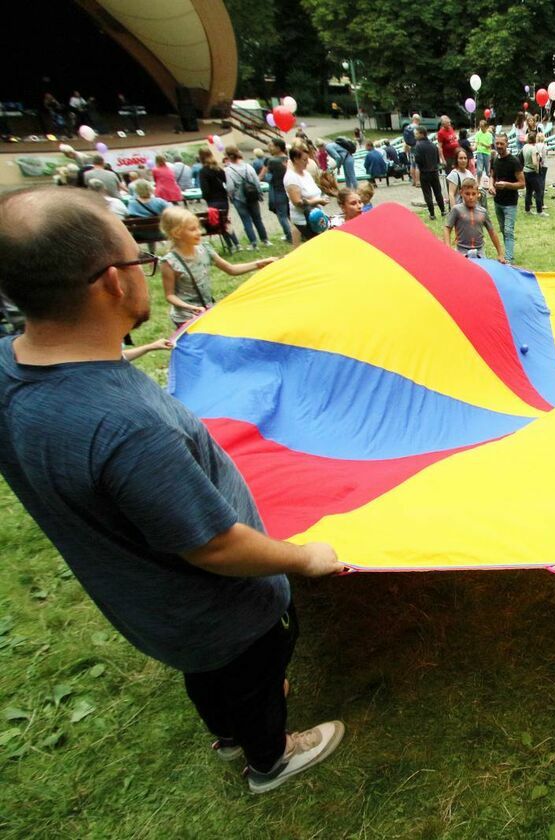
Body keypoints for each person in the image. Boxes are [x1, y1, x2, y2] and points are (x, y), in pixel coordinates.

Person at [0, 188, 347, 793]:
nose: (148, 270)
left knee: (209, 676)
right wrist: (306, 560)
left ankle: (228, 730)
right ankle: (270, 756)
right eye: (142, 260)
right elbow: (214, 548)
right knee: (254, 674)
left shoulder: (10, 367)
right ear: (112, 282)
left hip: (155, 611)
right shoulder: (124, 426)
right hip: (225, 611)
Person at [158, 207, 274, 329]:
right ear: (176, 233)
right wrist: (190, 307)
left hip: (207, 311)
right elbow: (170, 295)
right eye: (192, 229)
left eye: (198, 227)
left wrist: (258, 264)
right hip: (185, 318)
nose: (199, 232)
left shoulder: (205, 249)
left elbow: (231, 269)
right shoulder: (169, 262)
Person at [445, 178, 506, 262]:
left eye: (473, 194)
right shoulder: (456, 210)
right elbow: (447, 228)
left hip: (480, 252)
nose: (471, 197)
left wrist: (500, 254)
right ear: (461, 193)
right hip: (461, 251)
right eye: (467, 194)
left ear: (478, 194)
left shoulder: (483, 212)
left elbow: (492, 232)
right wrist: (448, 248)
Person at [224, 146, 269, 250]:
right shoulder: (248, 166)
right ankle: (265, 239)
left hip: (239, 198)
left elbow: (230, 186)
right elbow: (256, 182)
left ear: (228, 156)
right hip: (252, 196)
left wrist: (231, 196)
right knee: (258, 219)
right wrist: (259, 194)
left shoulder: (228, 170)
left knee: (246, 220)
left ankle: (253, 243)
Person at [489, 134, 524, 264]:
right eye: (497, 143)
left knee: (508, 231)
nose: (499, 146)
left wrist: (506, 185)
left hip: (510, 203)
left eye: (501, 144)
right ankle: (508, 254)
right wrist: (491, 185)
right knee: (503, 229)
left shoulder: (514, 161)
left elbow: (522, 184)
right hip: (497, 201)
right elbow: (492, 175)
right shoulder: (494, 159)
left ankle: (508, 259)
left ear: (507, 144)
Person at [197, 148, 240, 253]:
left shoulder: (203, 172)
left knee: (219, 223)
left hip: (212, 200)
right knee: (224, 221)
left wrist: (205, 197)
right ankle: (236, 243)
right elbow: (227, 181)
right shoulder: (218, 169)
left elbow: (205, 190)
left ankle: (231, 245)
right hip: (223, 198)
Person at [283, 146, 328, 244]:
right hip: (304, 219)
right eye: (304, 160)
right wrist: (318, 201)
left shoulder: (305, 174)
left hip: (316, 215)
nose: (307, 162)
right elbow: (298, 202)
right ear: (295, 159)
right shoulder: (291, 178)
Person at [410, 127, 446, 220]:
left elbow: (417, 160)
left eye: (416, 133)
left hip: (424, 173)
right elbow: (437, 160)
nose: (415, 135)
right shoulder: (433, 145)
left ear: (422, 134)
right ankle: (443, 210)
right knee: (438, 192)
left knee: (427, 194)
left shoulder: (418, 146)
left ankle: (432, 213)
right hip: (434, 172)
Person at [262, 139, 293, 245]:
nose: (269, 148)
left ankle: (289, 236)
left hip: (278, 190)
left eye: (271, 146)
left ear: (278, 147)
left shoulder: (272, 161)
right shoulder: (288, 159)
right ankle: (298, 233)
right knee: (290, 214)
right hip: (289, 189)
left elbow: (268, 177)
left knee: (282, 215)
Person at [522, 131, 548, 216]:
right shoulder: (533, 149)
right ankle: (539, 211)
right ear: (535, 139)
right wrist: (537, 170)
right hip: (532, 172)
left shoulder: (525, 146)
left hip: (525, 170)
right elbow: (534, 162)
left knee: (528, 191)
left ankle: (527, 209)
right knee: (538, 191)